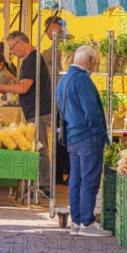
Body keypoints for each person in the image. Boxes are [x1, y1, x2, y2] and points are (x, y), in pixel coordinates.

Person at [56, 46, 112, 237]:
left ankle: (77, 222)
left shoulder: (63, 80)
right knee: (90, 179)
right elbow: (92, 112)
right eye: (94, 63)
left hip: (72, 137)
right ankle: (87, 223)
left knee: (76, 179)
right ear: (88, 61)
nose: (94, 67)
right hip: (88, 137)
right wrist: (98, 133)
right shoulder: (83, 80)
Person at [0, 31, 51, 195]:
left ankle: (46, 186)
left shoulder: (32, 60)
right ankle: (41, 182)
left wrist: (2, 88)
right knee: (37, 146)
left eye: (11, 47)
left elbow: (23, 87)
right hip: (34, 110)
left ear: (21, 43)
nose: (11, 52)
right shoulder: (28, 60)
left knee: (40, 147)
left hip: (40, 110)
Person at [42, 15, 74, 186]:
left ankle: (66, 173)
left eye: (46, 29)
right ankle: (60, 173)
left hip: (63, 96)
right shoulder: (60, 41)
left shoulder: (64, 42)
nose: (45, 34)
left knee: (63, 134)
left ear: (54, 26)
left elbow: (46, 58)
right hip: (60, 95)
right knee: (59, 134)